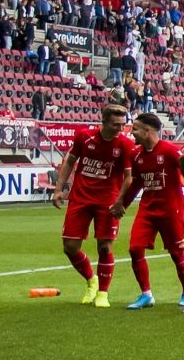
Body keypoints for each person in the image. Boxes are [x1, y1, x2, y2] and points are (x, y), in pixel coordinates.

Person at [51, 102, 138, 308]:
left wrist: (120, 201)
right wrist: (58, 189)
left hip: (107, 200)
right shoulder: (84, 137)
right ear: (104, 122)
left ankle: (103, 293)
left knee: (105, 247)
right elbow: (70, 162)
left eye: (123, 124)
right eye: (116, 124)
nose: (120, 129)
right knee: (70, 246)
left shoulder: (125, 144)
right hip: (80, 198)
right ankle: (92, 280)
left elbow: (129, 177)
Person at [110, 112, 184, 309]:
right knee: (134, 249)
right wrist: (122, 204)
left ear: (147, 131)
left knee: (176, 253)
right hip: (147, 209)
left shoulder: (170, 151)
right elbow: (136, 183)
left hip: (171, 210)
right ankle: (146, 294)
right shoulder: (135, 154)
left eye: (135, 129)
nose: (132, 132)